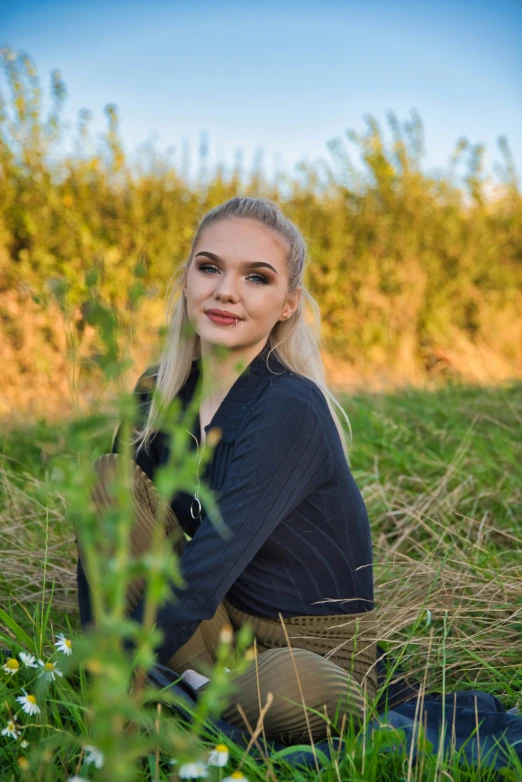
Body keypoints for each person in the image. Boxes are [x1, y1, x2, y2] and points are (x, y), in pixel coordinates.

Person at [76, 196, 378, 745]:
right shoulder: (157, 390)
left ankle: (171, 685)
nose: (225, 291)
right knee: (108, 478)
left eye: (256, 278)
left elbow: (199, 575)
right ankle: (179, 683)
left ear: (288, 304)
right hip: (219, 623)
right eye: (209, 267)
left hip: (307, 650)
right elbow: (109, 542)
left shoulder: (288, 407)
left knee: (292, 692)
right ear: (187, 279)